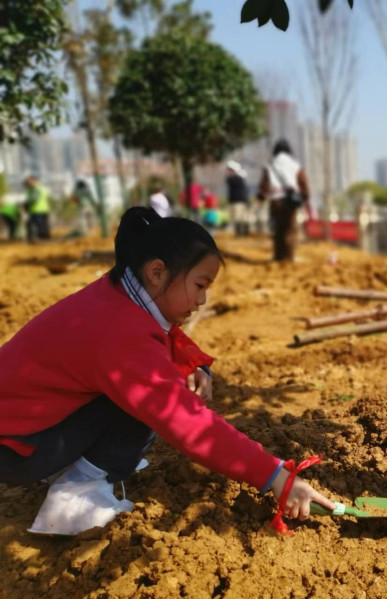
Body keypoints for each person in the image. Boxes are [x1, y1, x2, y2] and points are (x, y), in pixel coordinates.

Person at [0, 207, 335, 535]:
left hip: (19, 431)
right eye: (200, 285)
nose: (203, 300)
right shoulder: (119, 333)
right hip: (15, 450)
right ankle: (75, 496)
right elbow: (185, 422)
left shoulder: (115, 294)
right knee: (154, 403)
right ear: (157, 272)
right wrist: (277, 477)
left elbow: (158, 336)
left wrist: (196, 364)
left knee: (156, 386)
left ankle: (79, 468)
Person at [258, 140, 310, 262]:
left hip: (275, 202)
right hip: (289, 201)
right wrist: (305, 197)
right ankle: (289, 257)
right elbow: (303, 182)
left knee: (277, 229)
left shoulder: (269, 165)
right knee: (290, 229)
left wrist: (261, 197)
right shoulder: (295, 165)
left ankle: (278, 256)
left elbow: (264, 185)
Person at [23, 174, 51, 243]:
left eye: (28, 182)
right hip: (43, 209)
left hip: (37, 210)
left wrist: (26, 204)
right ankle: (45, 238)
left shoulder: (35, 189)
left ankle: (42, 239)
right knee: (43, 225)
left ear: (33, 181)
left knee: (39, 226)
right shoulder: (38, 188)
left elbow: (34, 199)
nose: (27, 184)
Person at [226, 160, 250, 237]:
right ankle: (241, 233)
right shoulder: (237, 178)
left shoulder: (236, 179)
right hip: (238, 200)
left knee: (238, 218)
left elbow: (229, 180)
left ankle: (240, 234)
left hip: (238, 201)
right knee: (239, 218)